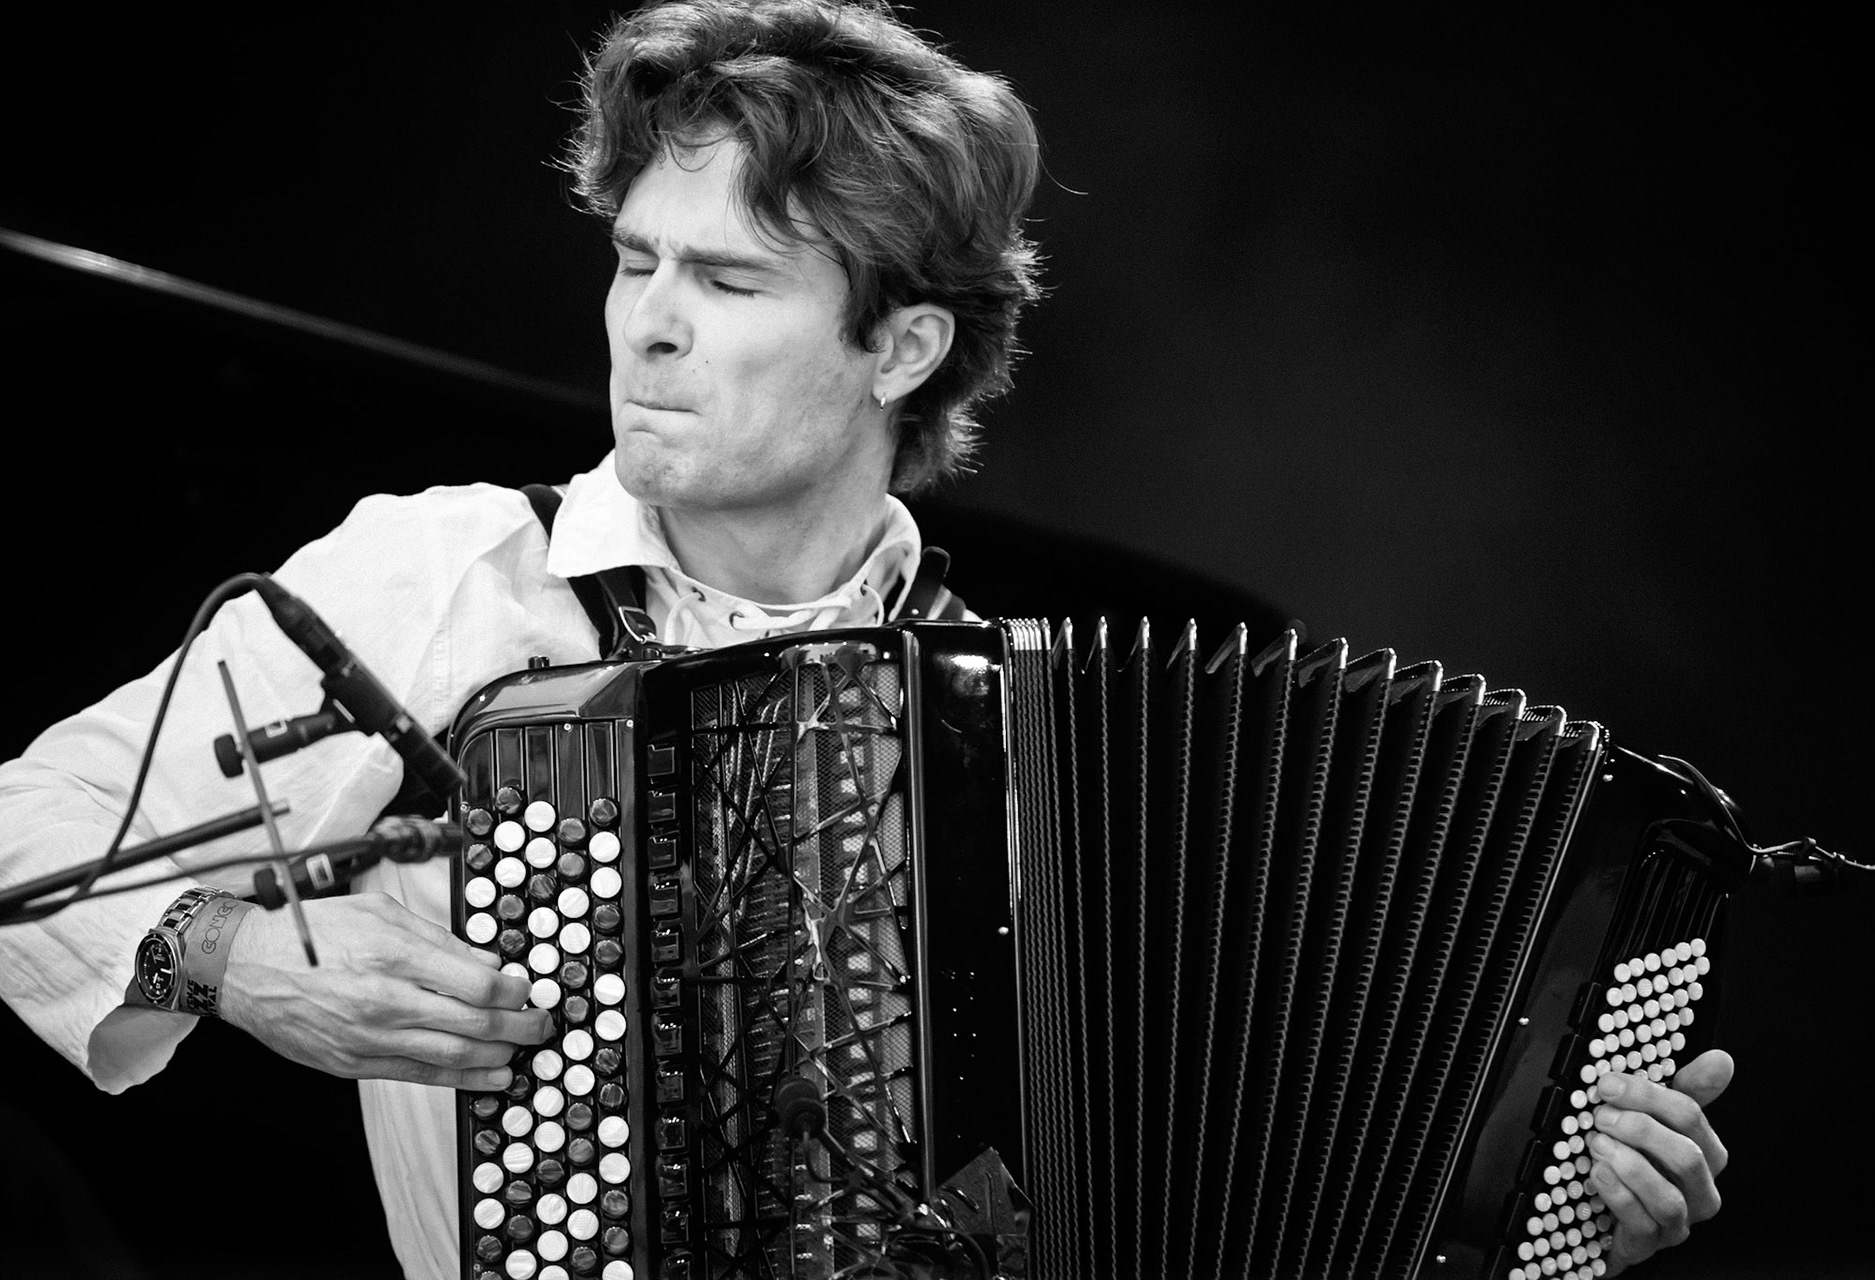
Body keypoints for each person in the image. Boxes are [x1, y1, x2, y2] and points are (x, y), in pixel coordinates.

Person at [0, 2, 1729, 1276]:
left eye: (731, 283)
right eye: (634, 262)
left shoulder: (1051, 725)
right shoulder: (452, 574)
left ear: (900, 351)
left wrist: (1551, 1197)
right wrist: (232, 961)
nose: (647, 330)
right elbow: (21, 832)